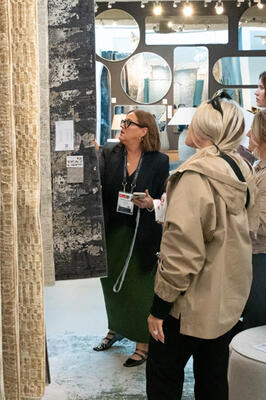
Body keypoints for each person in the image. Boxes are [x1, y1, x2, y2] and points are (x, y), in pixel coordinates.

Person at [146, 94, 258, 399]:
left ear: (204, 128)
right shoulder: (241, 169)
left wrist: (159, 308)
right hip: (227, 301)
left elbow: (182, 254)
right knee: (213, 382)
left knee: (163, 380)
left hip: (187, 307)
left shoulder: (193, 177)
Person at [94, 110, 169, 367]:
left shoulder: (158, 161)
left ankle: (142, 343)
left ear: (144, 130)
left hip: (143, 234)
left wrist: (151, 203)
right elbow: (97, 186)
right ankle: (116, 327)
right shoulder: (110, 153)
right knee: (112, 283)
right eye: (123, 121)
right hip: (114, 232)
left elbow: (166, 201)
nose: (122, 125)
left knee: (139, 289)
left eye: (128, 123)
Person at [242, 110, 266, 329]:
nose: (248, 133)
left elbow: (262, 223)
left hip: (262, 258)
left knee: (257, 322)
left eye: (253, 131)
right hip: (253, 254)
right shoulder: (258, 167)